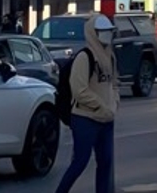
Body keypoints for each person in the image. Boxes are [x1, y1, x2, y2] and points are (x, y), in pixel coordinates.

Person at [55, 15, 119, 193]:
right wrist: (101, 106)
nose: (107, 35)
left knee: (105, 162)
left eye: (109, 31)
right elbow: (79, 90)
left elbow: (113, 84)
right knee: (80, 162)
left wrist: (113, 105)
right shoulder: (85, 57)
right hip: (85, 118)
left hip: (106, 119)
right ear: (93, 33)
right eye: (102, 32)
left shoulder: (110, 57)